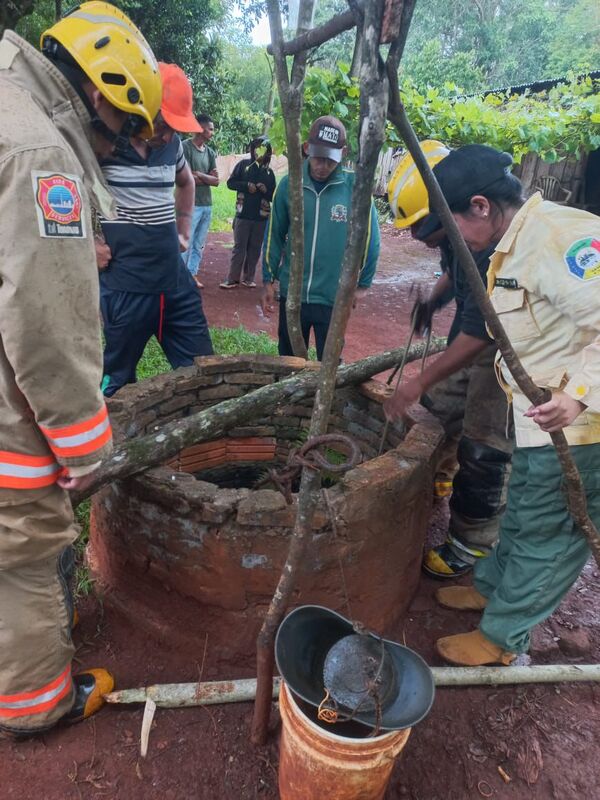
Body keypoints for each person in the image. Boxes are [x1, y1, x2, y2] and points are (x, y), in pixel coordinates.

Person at [0, 1, 162, 735]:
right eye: (127, 128)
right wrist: (85, 450)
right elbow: (47, 324)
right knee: (26, 550)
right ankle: (36, 705)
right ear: (99, 91)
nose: (125, 149)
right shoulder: (41, 153)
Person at [387, 144, 600, 666]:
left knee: (548, 535)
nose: (444, 242)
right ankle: (490, 586)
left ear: (479, 206)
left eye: (448, 226)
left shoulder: (559, 239)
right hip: (536, 422)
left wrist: (577, 396)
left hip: (580, 429)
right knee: (525, 514)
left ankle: (503, 639)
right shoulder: (506, 244)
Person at [387, 142, 514, 579]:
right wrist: (434, 300)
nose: (421, 238)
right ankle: (442, 473)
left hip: (503, 359)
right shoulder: (462, 231)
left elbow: (481, 336)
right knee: (438, 410)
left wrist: (415, 383)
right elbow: (453, 267)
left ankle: (471, 545)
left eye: (425, 228)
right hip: (472, 337)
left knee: (485, 447)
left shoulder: (495, 248)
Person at [98, 62, 214, 397]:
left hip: (175, 283)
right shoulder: (103, 142)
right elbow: (62, 192)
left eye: (174, 128)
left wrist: (184, 228)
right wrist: (88, 243)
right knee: (115, 385)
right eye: (163, 124)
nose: (167, 135)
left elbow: (187, 182)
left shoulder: (171, 146)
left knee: (205, 373)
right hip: (125, 286)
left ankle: (205, 445)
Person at [261, 115, 380, 360]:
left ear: (343, 152)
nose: (322, 165)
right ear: (306, 148)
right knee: (290, 362)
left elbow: (370, 240)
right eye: (318, 157)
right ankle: (294, 400)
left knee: (330, 361)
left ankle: (326, 400)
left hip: (333, 297)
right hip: (293, 297)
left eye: (330, 160)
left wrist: (362, 285)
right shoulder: (289, 185)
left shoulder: (356, 189)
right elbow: (274, 233)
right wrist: (268, 278)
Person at [220, 136, 276, 289]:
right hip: (243, 215)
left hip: (261, 218)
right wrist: (246, 185)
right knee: (239, 247)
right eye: (258, 149)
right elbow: (230, 183)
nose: (261, 153)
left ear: (269, 153)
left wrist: (266, 191)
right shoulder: (243, 166)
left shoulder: (270, 173)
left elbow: (273, 196)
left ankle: (249, 278)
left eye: (265, 150)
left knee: (255, 248)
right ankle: (232, 278)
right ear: (252, 150)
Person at [183, 114, 219, 286]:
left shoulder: (210, 153)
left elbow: (217, 181)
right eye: (210, 129)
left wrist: (199, 174)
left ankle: (192, 274)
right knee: (186, 243)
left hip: (207, 204)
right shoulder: (185, 147)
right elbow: (187, 178)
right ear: (201, 129)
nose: (213, 132)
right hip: (190, 204)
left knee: (198, 244)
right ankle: (181, 276)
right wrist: (205, 178)